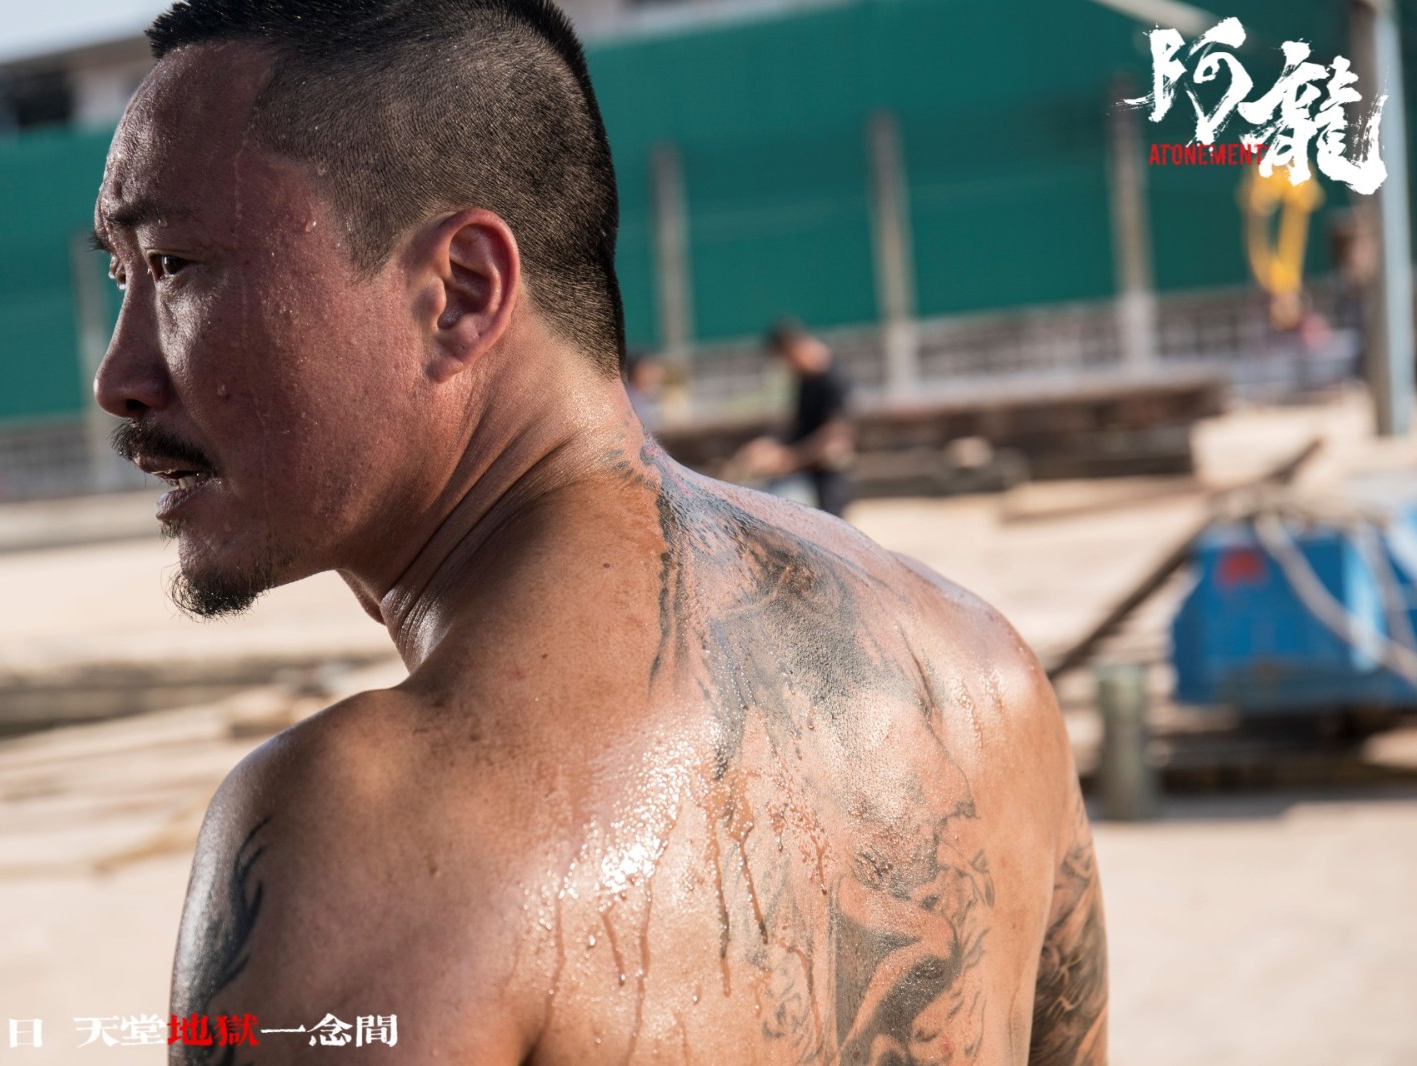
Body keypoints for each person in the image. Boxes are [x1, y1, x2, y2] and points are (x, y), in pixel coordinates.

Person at [92, 0, 1106, 1062]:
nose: (119, 377)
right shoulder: (987, 673)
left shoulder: (366, 830)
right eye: (120, 274)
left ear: (460, 292)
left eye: (173, 266)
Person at [733, 320, 854, 516]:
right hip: (805, 474)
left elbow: (835, 441)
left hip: (826, 481)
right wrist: (770, 445)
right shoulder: (804, 378)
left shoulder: (834, 378)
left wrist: (788, 459)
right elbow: (798, 425)